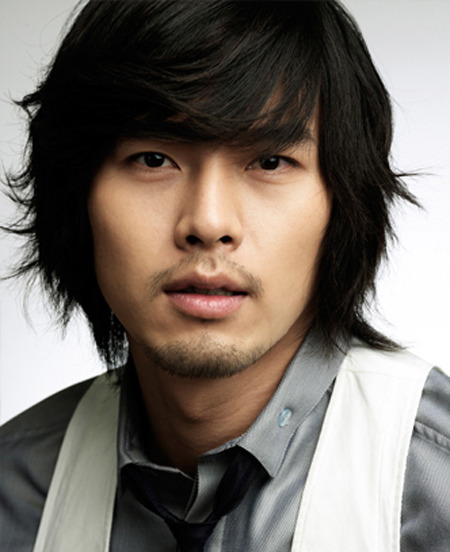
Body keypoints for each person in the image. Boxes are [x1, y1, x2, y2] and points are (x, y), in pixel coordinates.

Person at [1, 1, 449, 551]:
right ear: (77, 199)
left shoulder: (436, 481)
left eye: (270, 162)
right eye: (153, 159)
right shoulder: (15, 492)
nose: (208, 223)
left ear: (344, 203)